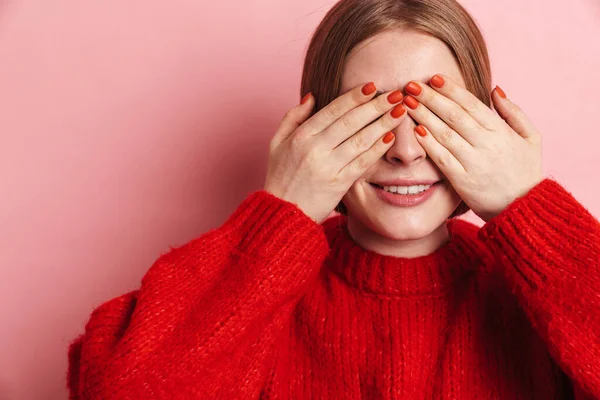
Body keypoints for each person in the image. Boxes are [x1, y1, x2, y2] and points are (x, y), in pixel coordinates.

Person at [67, 0, 600, 398]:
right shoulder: (255, 289)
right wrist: (281, 215)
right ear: (314, 128)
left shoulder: (535, 296)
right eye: (368, 119)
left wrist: (527, 209)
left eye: (436, 114)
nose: (406, 151)